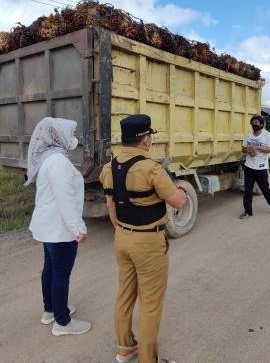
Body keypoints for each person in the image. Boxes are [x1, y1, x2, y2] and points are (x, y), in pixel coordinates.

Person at [99, 114, 187, 363]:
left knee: (125, 295)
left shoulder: (109, 168)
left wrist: (124, 232)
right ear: (145, 139)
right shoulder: (151, 168)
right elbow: (178, 202)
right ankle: (149, 360)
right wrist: (179, 189)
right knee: (150, 304)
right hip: (149, 243)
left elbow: (112, 207)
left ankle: (125, 350)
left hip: (122, 239)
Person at [26, 117, 91, 336]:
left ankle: (50, 310)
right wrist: (78, 228)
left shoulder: (49, 158)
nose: (72, 138)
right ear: (58, 136)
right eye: (69, 133)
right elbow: (66, 200)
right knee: (61, 273)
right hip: (59, 228)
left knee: (51, 269)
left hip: (49, 226)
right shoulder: (58, 163)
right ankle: (62, 322)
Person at [240, 115, 270, 219]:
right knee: (247, 191)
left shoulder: (267, 135)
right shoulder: (248, 135)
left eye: (256, 122)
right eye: (252, 122)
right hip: (249, 167)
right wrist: (248, 150)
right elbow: (243, 149)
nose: (254, 124)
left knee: (265, 189)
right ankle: (248, 212)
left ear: (261, 124)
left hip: (261, 168)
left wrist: (257, 147)